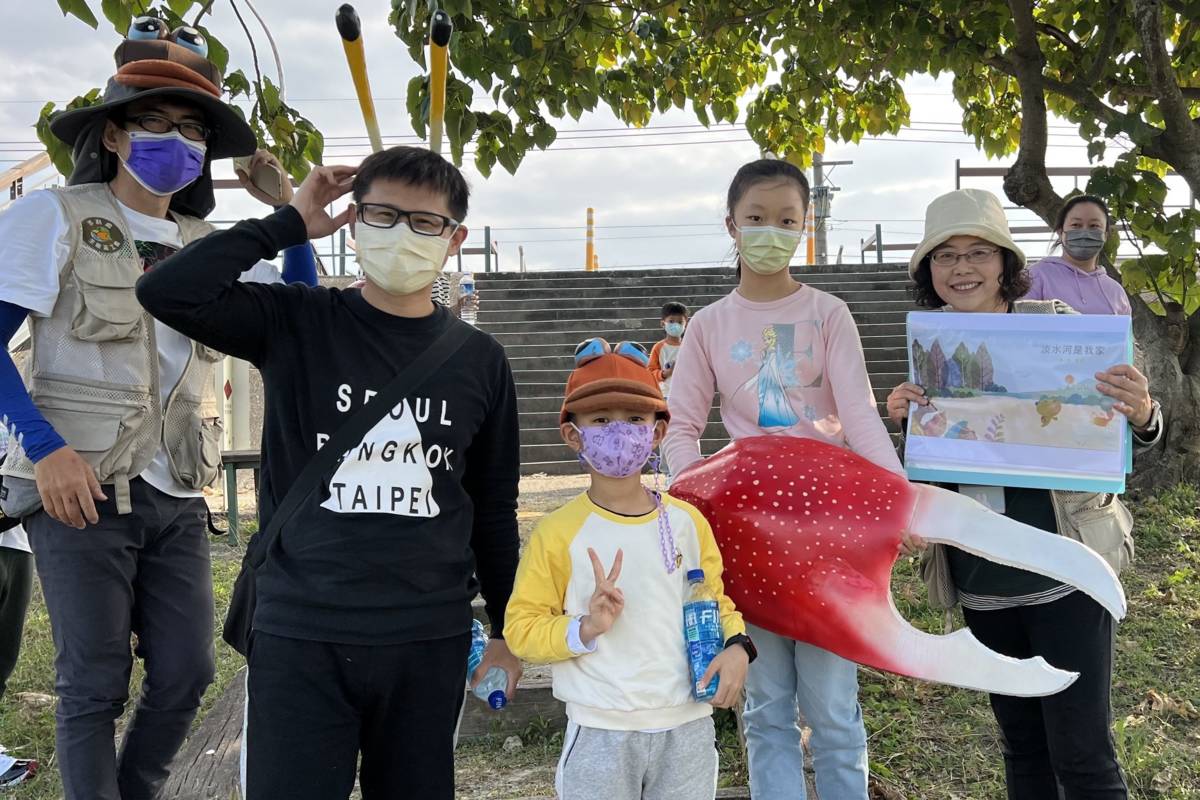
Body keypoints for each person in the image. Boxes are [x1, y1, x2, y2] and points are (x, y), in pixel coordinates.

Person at [136, 145, 523, 800]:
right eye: (383, 215)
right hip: (301, 631)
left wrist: (510, 633)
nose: (402, 234)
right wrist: (287, 221)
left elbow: (491, 510)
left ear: (454, 239)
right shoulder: (297, 320)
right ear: (354, 220)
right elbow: (166, 290)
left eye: (424, 223)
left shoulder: (479, 360)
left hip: (428, 635)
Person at [0, 23, 313, 800]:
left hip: (177, 491)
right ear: (112, 133)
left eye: (193, 130)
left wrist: (294, 219)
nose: (176, 142)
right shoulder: (55, 217)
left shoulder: (208, 241)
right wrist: (46, 451)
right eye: (155, 123)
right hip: (80, 486)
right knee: (92, 681)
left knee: (187, 670)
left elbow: (302, 312)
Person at [886, 188, 1163, 800]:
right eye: (944, 256)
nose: (961, 269)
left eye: (978, 253)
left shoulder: (1065, 332)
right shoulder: (927, 358)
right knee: (1022, 748)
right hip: (983, 581)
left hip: (1067, 569)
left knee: (1084, 754)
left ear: (1007, 265)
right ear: (928, 272)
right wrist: (911, 428)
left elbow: (1131, 437)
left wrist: (1142, 413)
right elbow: (931, 487)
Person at [663, 159, 905, 800]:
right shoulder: (709, 325)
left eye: (786, 220)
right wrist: (697, 504)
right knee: (766, 706)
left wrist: (898, 499)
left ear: (806, 227)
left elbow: (859, 417)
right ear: (732, 226)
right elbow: (679, 426)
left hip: (829, 535)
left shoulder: (829, 313)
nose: (771, 230)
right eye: (756, 218)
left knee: (832, 707)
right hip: (748, 538)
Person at [504, 338, 754, 800]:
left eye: (636, 419)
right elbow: (521, 629)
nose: (620, 432)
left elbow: (715, 600)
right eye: (600, 420)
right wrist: (584, 626)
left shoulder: (686, 522)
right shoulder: (558, 532)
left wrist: (738, 646)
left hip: (687, 728)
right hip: (600, 729)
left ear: (658, 431)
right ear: (572, 434)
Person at [1024, 194, 1131, 315]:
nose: (1085, 232)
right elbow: (1019, 326)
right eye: (1076, 225)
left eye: (1094, 226)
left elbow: (1126, 333)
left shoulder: (1116, 292)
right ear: (1061, 232)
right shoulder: (1036, 276)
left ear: (1105, 235)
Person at [649, 302, 689, 398]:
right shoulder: (658, 347)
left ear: (685, 324)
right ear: (663, 323)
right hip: (665, 394)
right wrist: (664, 374)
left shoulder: (689, 346)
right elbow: (650, 372)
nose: (676, 325)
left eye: (680, 322)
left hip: (686, 394)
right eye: (671, 321)